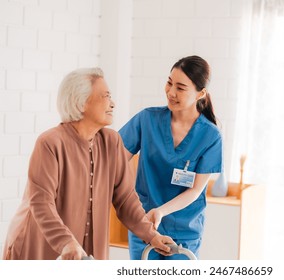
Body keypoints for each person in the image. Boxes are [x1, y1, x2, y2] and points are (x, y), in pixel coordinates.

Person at [2, 67, 173, 260]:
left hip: (85, 252)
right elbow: (41, 203)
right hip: (38, 246)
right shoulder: (50, 143)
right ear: (81, 103)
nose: (113, 103)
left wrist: (152, 235)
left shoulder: (112, 142)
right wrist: (66, 242)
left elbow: (125, 199)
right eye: (106, 96)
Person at [119, 55, 223, 260]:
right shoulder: (147, 120)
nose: (171, 92)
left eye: (181, 88)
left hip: (184, 230)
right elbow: (114, 162)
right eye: (169, 83)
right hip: (144, 226)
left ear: (200, 93)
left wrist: (160, 211)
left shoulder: (210, 136)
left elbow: (195, 191)